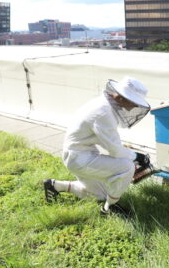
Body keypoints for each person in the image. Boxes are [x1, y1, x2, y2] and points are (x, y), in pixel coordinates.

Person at [43, 77, 151, 215]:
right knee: (127, 167)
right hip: (79, 159)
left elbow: (108, 142)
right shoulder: (103, 112)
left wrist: (131, 154)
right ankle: (109, 208)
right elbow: (115, 151)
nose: (135, 107)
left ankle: (55, 185)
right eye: (135, 102)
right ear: (124, 98)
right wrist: (137, 156)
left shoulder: (103, 104)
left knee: (101, 194)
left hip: (79, 154)